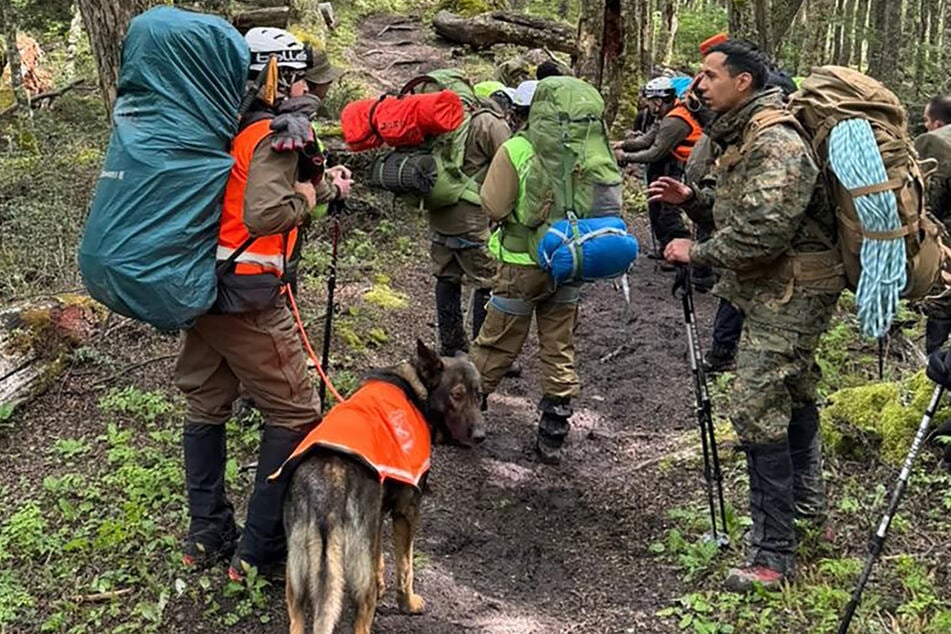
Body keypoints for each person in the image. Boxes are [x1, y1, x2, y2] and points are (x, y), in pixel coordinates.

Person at [652, 39, 845, 591]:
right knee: (797, 392)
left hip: (793, 292)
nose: (700, 85)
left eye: (711, 75)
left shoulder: (777, 141)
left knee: (757, 406)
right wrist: (691, 199)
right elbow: (745, 209)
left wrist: (699, 251)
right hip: (774, 290)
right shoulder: (744, 136)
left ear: (743, 82)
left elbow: (765, 232)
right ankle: (808, 515)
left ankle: (773, 556)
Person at [176, 28, 351, 581]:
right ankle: (259, 550)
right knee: (298, 414)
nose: (307, 87)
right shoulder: (276, 132)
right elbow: (265, 216)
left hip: (199, 288)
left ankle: (205, 535)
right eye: (303, 76)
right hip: (248, 298)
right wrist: (318, 194)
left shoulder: (217, 122)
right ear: (285, 76)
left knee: (207, 406)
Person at [471, 76, 597, 465]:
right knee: (559, 347)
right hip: (569, 262)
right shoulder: (583, 149)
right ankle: (553, 434)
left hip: (521, 266)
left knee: (496, 344)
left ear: (521, 113)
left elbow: (493, 206)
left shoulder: (517, 149)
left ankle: (468, 415)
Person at [421, 71, 511, 359]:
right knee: (488, 280)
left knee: (446, 278)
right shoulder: (488, 123)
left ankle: (451, 346)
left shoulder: (442, 121)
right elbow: (509, 165)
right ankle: (484, 351)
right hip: (471, 218)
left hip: (437, 211)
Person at [615, 76, 701, 257]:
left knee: (668, 211)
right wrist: (623, 144)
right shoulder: (665, 114)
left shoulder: (675, 121)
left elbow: (655, 152)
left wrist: (625, 157)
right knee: (657, 206)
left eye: (650, 101)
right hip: (674, 163)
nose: (647, 105)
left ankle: (678, 249)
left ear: (659, 101)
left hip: (685, 167)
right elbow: (647, 139)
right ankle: (665, 247)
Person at [914, 94, 951, 353]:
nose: (924, 125)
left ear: (937, 123)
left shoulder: (935, 143)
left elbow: (926, 204)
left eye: (926, 120)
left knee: (942, 304)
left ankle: (934, 367)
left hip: (947, 241)